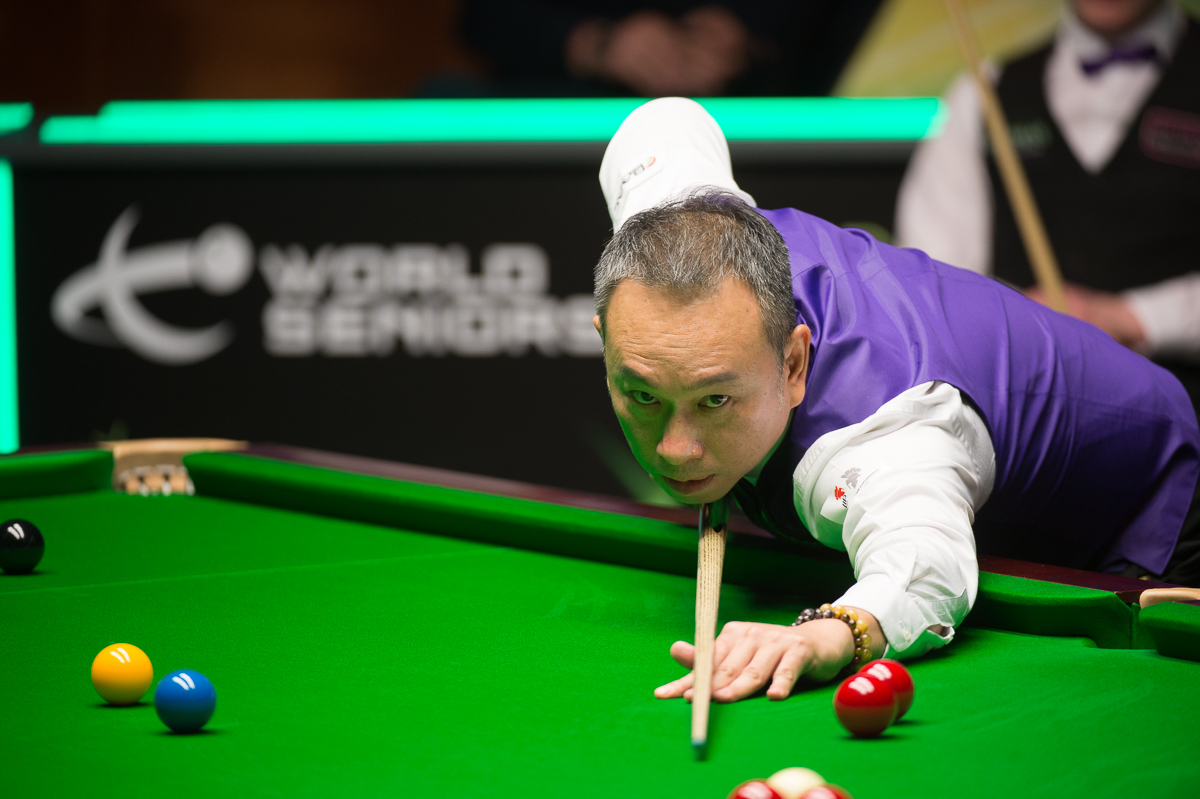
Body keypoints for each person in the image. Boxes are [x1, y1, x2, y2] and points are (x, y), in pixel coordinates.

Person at [593, 97, 1200, 704]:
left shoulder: (881, 431)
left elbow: (923, 559)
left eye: (714, 400)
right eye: (644, 395)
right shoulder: (672, 230)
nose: (675, 449)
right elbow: (666, 124)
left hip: (1154, 504)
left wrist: (829, 635)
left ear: (794, 365)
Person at [896, 0, 1200, 411]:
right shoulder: (985, 92)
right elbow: (932, 283)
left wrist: (1132, 317)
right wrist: (1014, 322)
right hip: (1030, 416)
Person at [449, 0, 881, 97]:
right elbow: (482, 17)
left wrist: (749, 38)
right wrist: (596, 45)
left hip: (750, 110)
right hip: (568, 104)